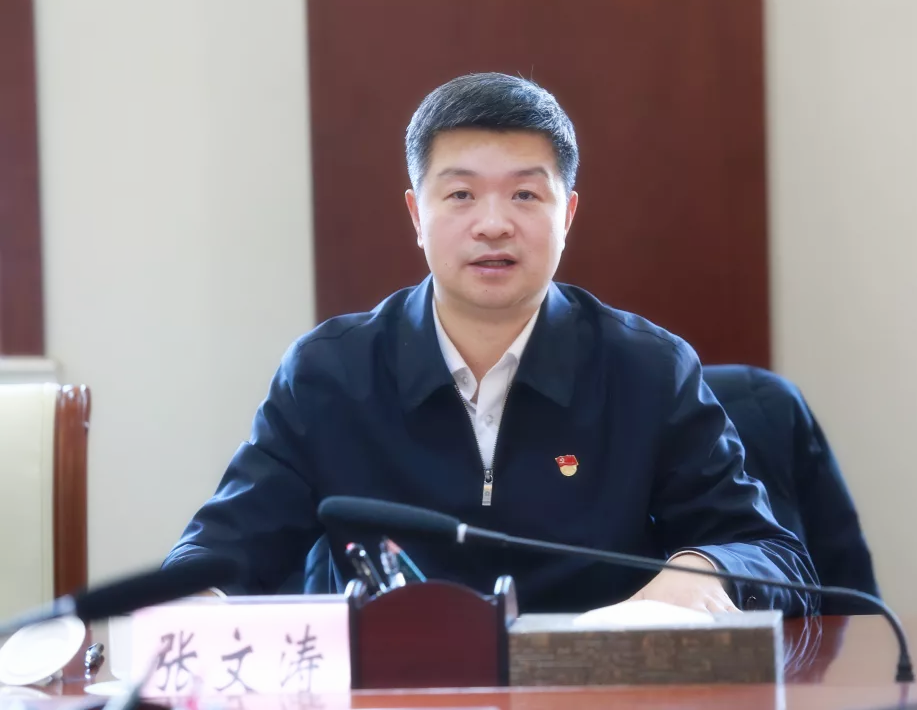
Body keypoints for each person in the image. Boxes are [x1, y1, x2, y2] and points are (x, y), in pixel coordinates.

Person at [163, 72, 820, 617]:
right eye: (461, 194)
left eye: (526, 194)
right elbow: (221, 549)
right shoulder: (328, 374)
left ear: (567, 215)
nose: (494, 224)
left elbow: (769, 553)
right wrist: (192, 600)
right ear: (417, 216)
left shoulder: (647, 369)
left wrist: (701, 574)